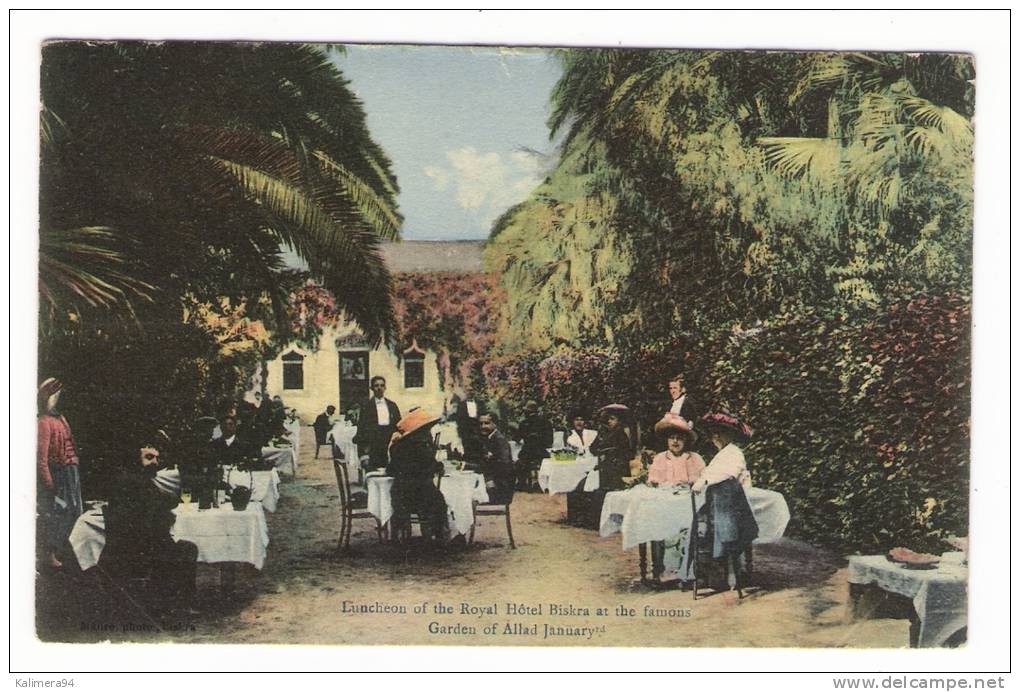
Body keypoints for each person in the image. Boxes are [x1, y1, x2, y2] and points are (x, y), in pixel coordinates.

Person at [101, 441, 199, 614]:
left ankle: (169, 601)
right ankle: (177, 604)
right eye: (149, 457)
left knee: (181, 546)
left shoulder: (141, 481)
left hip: (137, 543)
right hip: (137, 547)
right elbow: (159, 510)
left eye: (156, 458)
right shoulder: (135, 484)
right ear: (136, 461)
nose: (155, 462)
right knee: (187, 549)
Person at [648, 414, 706, 586]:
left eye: (679, 438)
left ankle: (689, 571)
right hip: (667, 502)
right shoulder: (660, 458)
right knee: (667, 527)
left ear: (686, 441)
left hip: (689, 502)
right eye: (672, 438)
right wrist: (662, 485)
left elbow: (704, 479)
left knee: (691, 527)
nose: (675, 442)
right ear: (667, 440)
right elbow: (653, 481)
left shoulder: (694, 458)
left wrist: (692, 483)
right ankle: (669, 569)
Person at [37, 377, 84, 569]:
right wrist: (50, 484)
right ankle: (50, 554)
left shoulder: (61, 419)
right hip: (59, 474)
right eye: (57, 396)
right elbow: (41, 459)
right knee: (59, 513)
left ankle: (65, 551)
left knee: (75, 511)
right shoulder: (44, 422)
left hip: (71, 471)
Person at [386, 409, 448, 543]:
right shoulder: (422, 448)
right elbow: (433, 467)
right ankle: (437, 535)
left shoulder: (398, 446)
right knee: (439, 502)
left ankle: (401, 534)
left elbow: (390, 470)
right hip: (421, 496)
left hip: (400, 495)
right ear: (419, 431)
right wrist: (439, 466)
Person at [692, 411, 754, 492]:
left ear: (731, 434)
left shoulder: (734, 453)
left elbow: (726, 477)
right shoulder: (721, 454)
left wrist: (703, 483)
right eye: (713, 433)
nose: (716, 436)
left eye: (721, 432)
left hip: (730, 495)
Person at [353, 377, 401, 472]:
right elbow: (362, 428)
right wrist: (364, 453)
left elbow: (398, 424)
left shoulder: (392, 405)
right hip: (374, 442)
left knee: (391, 471)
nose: (379, 388)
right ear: (371, 388)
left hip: (389, 441)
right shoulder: (366, 406)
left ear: (385, 387)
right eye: (376, 386)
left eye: (382, 385)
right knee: (374, 471)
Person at [466, 413, 515, 505]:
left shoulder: (499, 440)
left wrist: (490, 480)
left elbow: (505, 465)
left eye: (486, 423)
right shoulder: (488, 438)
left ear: (495, 424)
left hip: (501, 486)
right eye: (481, 423)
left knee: (469, 496)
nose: (483, 426)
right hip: (493, 481)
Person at [590, 404, 634, 491]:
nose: (609, 421)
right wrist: (599, 451)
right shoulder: (604, 433)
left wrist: (607, 452)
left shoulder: (621, 433)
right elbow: (593, 447)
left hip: (617, 467)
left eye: (612, 419)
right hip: (605, 466)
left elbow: (626, 452)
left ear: (619, 421)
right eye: (608, 419)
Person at [514, 400, 553, 491]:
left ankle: (522, 483)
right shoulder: (546, 423)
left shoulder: (524, 423)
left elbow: (516, 438)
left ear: (527, 411)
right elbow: (549, 442)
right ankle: (541, 484)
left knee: (519, 462)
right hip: (541, 453)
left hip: (527, 453)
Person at [453, 384, 485, 463]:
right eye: (468, 391)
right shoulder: (461, 404)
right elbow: (459, 418)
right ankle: (469, 462)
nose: (470, 392)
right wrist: (461, 431)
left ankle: (479, 462)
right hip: (466, 427)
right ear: (465, 392)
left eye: (471, 390)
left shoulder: (480, 403)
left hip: (477, 426)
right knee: (467, 445)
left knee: (478, 445)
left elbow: (483, 414)